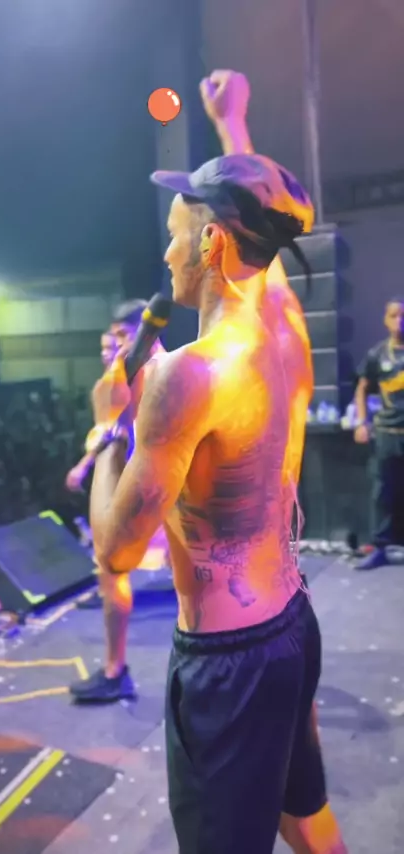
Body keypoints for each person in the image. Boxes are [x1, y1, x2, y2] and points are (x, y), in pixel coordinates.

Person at [88, 70, 346, 854]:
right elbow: (266, 232)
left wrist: (107, 433)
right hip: (291, 624)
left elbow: (117, 550)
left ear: (211, 241)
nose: (166, 251)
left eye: (175, 232)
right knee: (305, 813)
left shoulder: (185, 376)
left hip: (227, 665)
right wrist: (233, 124)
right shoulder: (285, 336)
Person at [66, 298, 167, 703]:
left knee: (112, 568)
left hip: (150, 488)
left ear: (144, 330)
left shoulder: (145, 372)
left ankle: (115, 671)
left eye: (122, 336)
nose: (115, 346)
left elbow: (115, 431)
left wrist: (91, 459)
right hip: (158, 488)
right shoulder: (158, 367)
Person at [353, 296, 404, 569]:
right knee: (383, 492)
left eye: (403, 316)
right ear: (386, 320)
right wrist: (362, 422)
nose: (400, 321)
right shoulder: (377, 354)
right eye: (394, 316)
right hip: (387, 433)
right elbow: (362, 388)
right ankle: (380, 548)